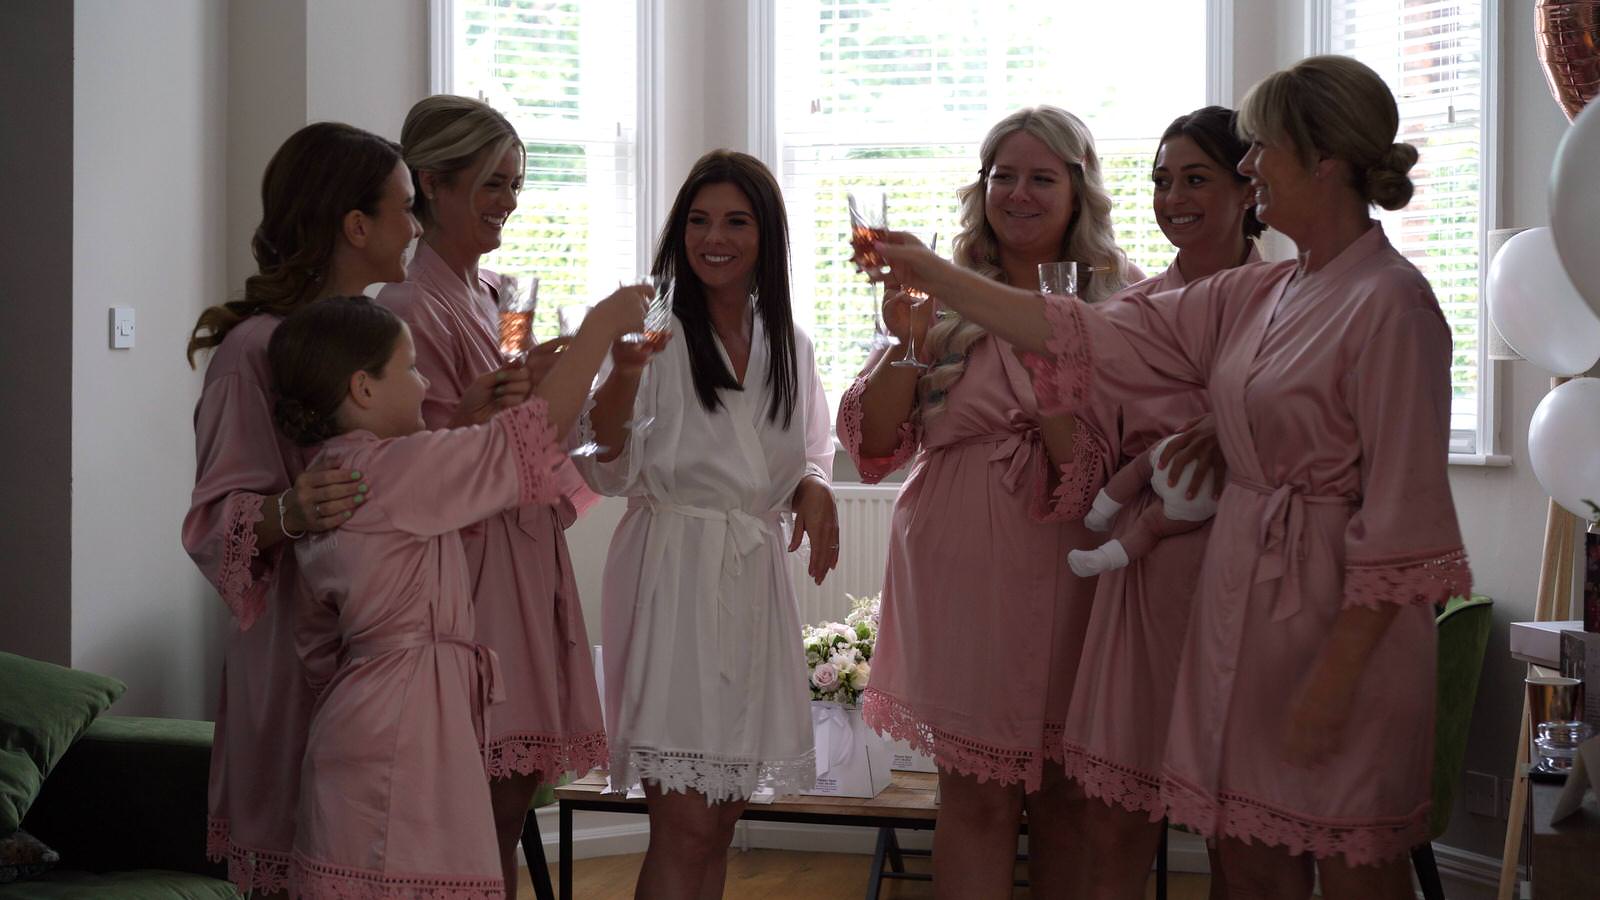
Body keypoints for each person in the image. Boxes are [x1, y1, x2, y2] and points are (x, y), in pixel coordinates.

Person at [868, 57, 1471, 900]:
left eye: (1260, 150)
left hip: (1339, 623)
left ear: (1323, 159)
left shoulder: (1394, 304)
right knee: (1252, 859)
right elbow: (1086, 334)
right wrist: (933, 275)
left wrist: (1333, 684)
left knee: (1353, 863)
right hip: (1244, 611)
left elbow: (1405, 521)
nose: (1249, 165)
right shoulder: (1259, 293)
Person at [837, 105, 1138, 896]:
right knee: (975, 793)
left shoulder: (1123, 297)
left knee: (1071, 788)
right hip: (959, 559)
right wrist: (906, 340)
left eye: (1042, 176)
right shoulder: (938, 290)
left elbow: (1124, 457)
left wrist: (1058, 401)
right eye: (1003, 175)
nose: (1019, 193)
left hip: (1076, 554)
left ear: (1078, 190)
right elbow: (873, 446)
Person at [269, 291, 647, 899]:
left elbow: (315, 644)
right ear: (363, 389)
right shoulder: (395, 471)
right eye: (411, 368)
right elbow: (526, 439)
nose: (423, 386)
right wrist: (600, 327)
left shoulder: (331, 475)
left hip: (355, 720)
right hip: (408, 725)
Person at [575, 150, 838, 900]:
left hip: (753, 582)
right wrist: (622, 375)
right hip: (675, 577)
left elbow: (808, 448)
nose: (712, 237)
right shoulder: (652, 335)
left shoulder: (790, 343)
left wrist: (816, 484)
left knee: (720, 823)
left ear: (767, 236)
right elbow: (603, 466)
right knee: (685, 824)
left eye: (734, 221)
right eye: (697, 220)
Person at [181, 122, 421, 896]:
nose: (416, 228)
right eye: (405, 208)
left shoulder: (384, 342)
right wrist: (289, 510)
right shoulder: (253, 350)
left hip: (377, 656)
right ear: (356, 226)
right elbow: (212, 521)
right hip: (291, 662)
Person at [377, 94, 607, 892]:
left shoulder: (498, 296)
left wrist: (557, 385)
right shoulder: (407, 309)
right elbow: (410, 464)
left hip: (525, 554)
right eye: (491, 184)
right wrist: (493, 407)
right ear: (432, 185)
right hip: (469, 573)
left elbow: (535, 435)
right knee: (475, 799)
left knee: (511, 797)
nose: (509, 202)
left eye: (515, 183)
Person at [1054, 104, 1264, 900]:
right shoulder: (1134, 305)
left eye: (1196, 179)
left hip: (1240, 576)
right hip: (1142, 581)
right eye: (1161, 181)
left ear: (1252, 185)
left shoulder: (1290, 298)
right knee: (1115, 816)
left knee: (1238, 825)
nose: (1173, 197)